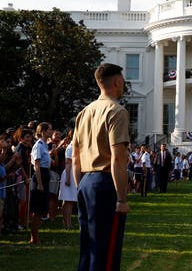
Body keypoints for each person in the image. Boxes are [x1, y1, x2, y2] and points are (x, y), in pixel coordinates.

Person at [73, 63, 130, 270]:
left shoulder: (84, 113)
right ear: (116, 82)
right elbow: (118, 158)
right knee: (106, 250)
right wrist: (122, 198)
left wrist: (81, 186)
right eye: (122, 81)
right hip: (105, 182)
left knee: (87, 248)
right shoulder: (117, 110)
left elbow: (76, 159)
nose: (123, 85)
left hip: (85, 181)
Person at [30, 122, 54, 244]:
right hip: (40, 176)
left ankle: (36, 236)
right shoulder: (38, 145)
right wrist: (39, 183)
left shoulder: (45, 145)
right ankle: (34, 237)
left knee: (42, 209)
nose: (52, 131)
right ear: (43, 131)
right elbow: (37, 165)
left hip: (45, 175)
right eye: (50, 129)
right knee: (38, 209)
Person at [59, 129, 77, 229]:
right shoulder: (70, 147)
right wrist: (68, 178)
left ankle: (68, 222)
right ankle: (66, 223)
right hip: (68, 173)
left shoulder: (75, 146)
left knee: (70, 200)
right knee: (67, 200)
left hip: (72, 173)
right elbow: (68, 163)